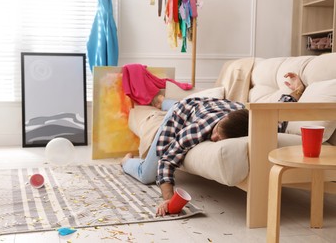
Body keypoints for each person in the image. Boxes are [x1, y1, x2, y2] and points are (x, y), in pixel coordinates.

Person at [121, 72, 305, 217]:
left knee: (189, 103)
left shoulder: (256, 123)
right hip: (184, 110)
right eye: (216, 131)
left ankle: (163, 102)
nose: (214, 138)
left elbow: (278, 113)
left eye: (219, 139)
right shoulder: (198, 129)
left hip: (214, 106)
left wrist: (297, 91)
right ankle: (126, 161)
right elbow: (167, 160)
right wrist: (169, 198)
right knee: (146, 174)